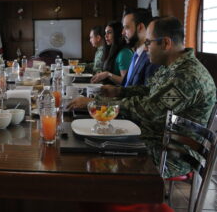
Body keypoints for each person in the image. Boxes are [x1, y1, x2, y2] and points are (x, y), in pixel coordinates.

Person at [69, 17, 216, 178]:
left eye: (148, 43)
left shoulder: (187, 76)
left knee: (97, 152)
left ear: (165, 43)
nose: (145, 48)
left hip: (170, 153)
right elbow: (150, 91)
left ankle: (112, 198)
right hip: (154, 138)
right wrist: (119, 92)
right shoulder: (173, 67)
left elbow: (150, 110)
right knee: (93, 140)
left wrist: (95, 103)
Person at [121, 9, 159, 86]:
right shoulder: (136, 53)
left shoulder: (151, 57)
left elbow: (146, 94)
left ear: (140, 27)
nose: (123, 32)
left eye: (126, 27)